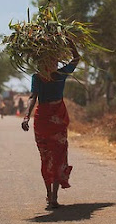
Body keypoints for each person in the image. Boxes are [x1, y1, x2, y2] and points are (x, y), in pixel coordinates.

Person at [21, 41, 80, 209]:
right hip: (43, 120)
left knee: (58, 154)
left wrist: (69, 42)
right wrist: (26, 117)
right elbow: (33, 96)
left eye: (53, 60)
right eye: (46, 61)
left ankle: (53, 196)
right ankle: (49, 194)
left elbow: (76, 58)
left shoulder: (61, 73)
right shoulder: (37, 78)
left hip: (58, 119)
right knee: (46, 156)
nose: (50, 63)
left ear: (56, 61)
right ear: (40, 63)